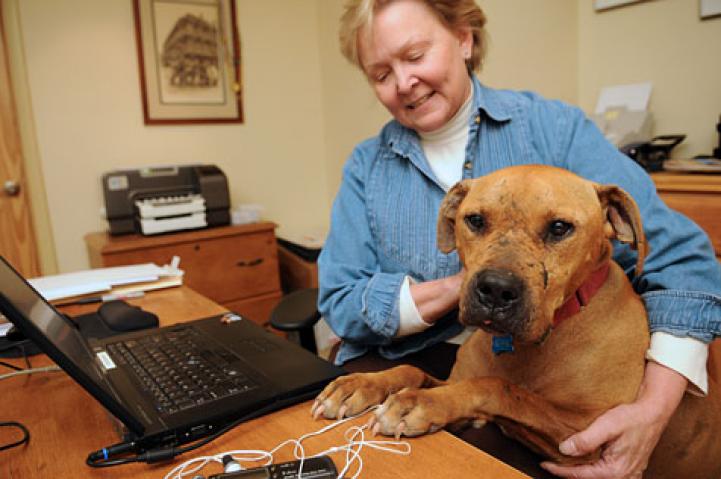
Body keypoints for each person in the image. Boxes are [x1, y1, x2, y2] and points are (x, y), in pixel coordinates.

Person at [317, 1, 721, 477]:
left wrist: (654, 408)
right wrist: (460, 288)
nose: (403, 82)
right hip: (442, 363)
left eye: (415, 55)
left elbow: (683, 259)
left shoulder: (553, 129)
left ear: (464, 39)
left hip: (542, 380)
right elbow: (340, 300)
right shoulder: (368, 165)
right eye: (381, 73)